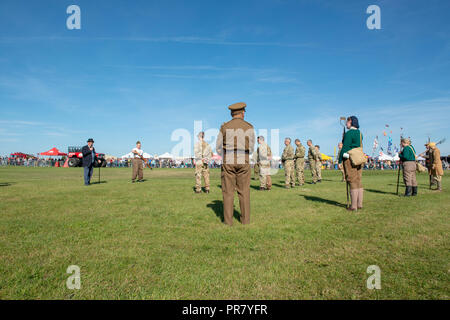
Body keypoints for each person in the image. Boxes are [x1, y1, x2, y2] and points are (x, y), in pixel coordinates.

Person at [216, 102, 255, 226]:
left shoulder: (225, 126)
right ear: (243, 113)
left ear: (231, 113)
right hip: (243, 159)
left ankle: (228, 222)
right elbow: (253, 147)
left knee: (228, 192)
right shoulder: (249, 126)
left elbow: (217, 147)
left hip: (228, 159)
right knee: (244, 191)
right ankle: (245, 221)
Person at [338, 116, 364, 211]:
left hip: (350, 159)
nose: (346, 123)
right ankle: (359, 204)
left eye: (348, 122)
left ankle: (353, 206)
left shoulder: (349, 133)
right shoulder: (360, 133)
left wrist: (340, 160)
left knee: (352, 180)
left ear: (351, 122)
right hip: (359, 158)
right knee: (358, 181)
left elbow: (345, 148)